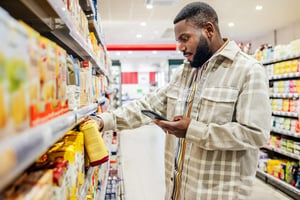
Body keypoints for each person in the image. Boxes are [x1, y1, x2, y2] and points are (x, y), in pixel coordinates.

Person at [89, 2, 271, 199]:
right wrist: (103, 120)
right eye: (178, 40)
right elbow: (147, 105)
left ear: (208, 30)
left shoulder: (248, 70)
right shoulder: (184, 72)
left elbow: (256, 134)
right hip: (177, 192)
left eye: (185, 38)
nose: (180, 48)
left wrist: (192, 130)